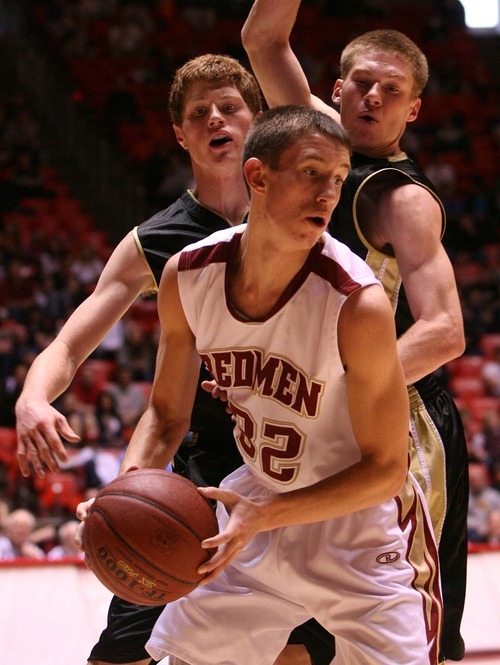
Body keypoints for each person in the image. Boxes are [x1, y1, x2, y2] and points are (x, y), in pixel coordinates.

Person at [15, 55, 328, 665]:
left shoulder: (308, 216)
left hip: (291, 465)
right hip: (192, 477)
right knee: (123, 654)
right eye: (198, 113)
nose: (216, 119)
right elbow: (71, 343)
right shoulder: (157, 241)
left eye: (230, 107)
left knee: (297, 655)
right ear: (179, 135)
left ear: (257, 119)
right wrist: (32, 398)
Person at [108, 105, 442, 665]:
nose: (328, 195)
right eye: (312, 172)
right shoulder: (187, 275)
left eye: (337, 180)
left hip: (356, 526)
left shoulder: (356, 303)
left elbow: (385, 470)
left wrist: (264, 516)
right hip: (257, 505)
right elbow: (166, 417)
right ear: (258, 175)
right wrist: (123, 490)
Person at [241, 3, 468, 661]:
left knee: (403, 635)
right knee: (295, 628)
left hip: (395, 421)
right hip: (312, 413)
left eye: (391, 90)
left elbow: (446, 330)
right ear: (336, 92)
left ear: (413, 110)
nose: (374, 97)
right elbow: (262, 38)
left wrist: (335, 389)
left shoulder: (403, 199)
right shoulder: (319, 139)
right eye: (362, 83)